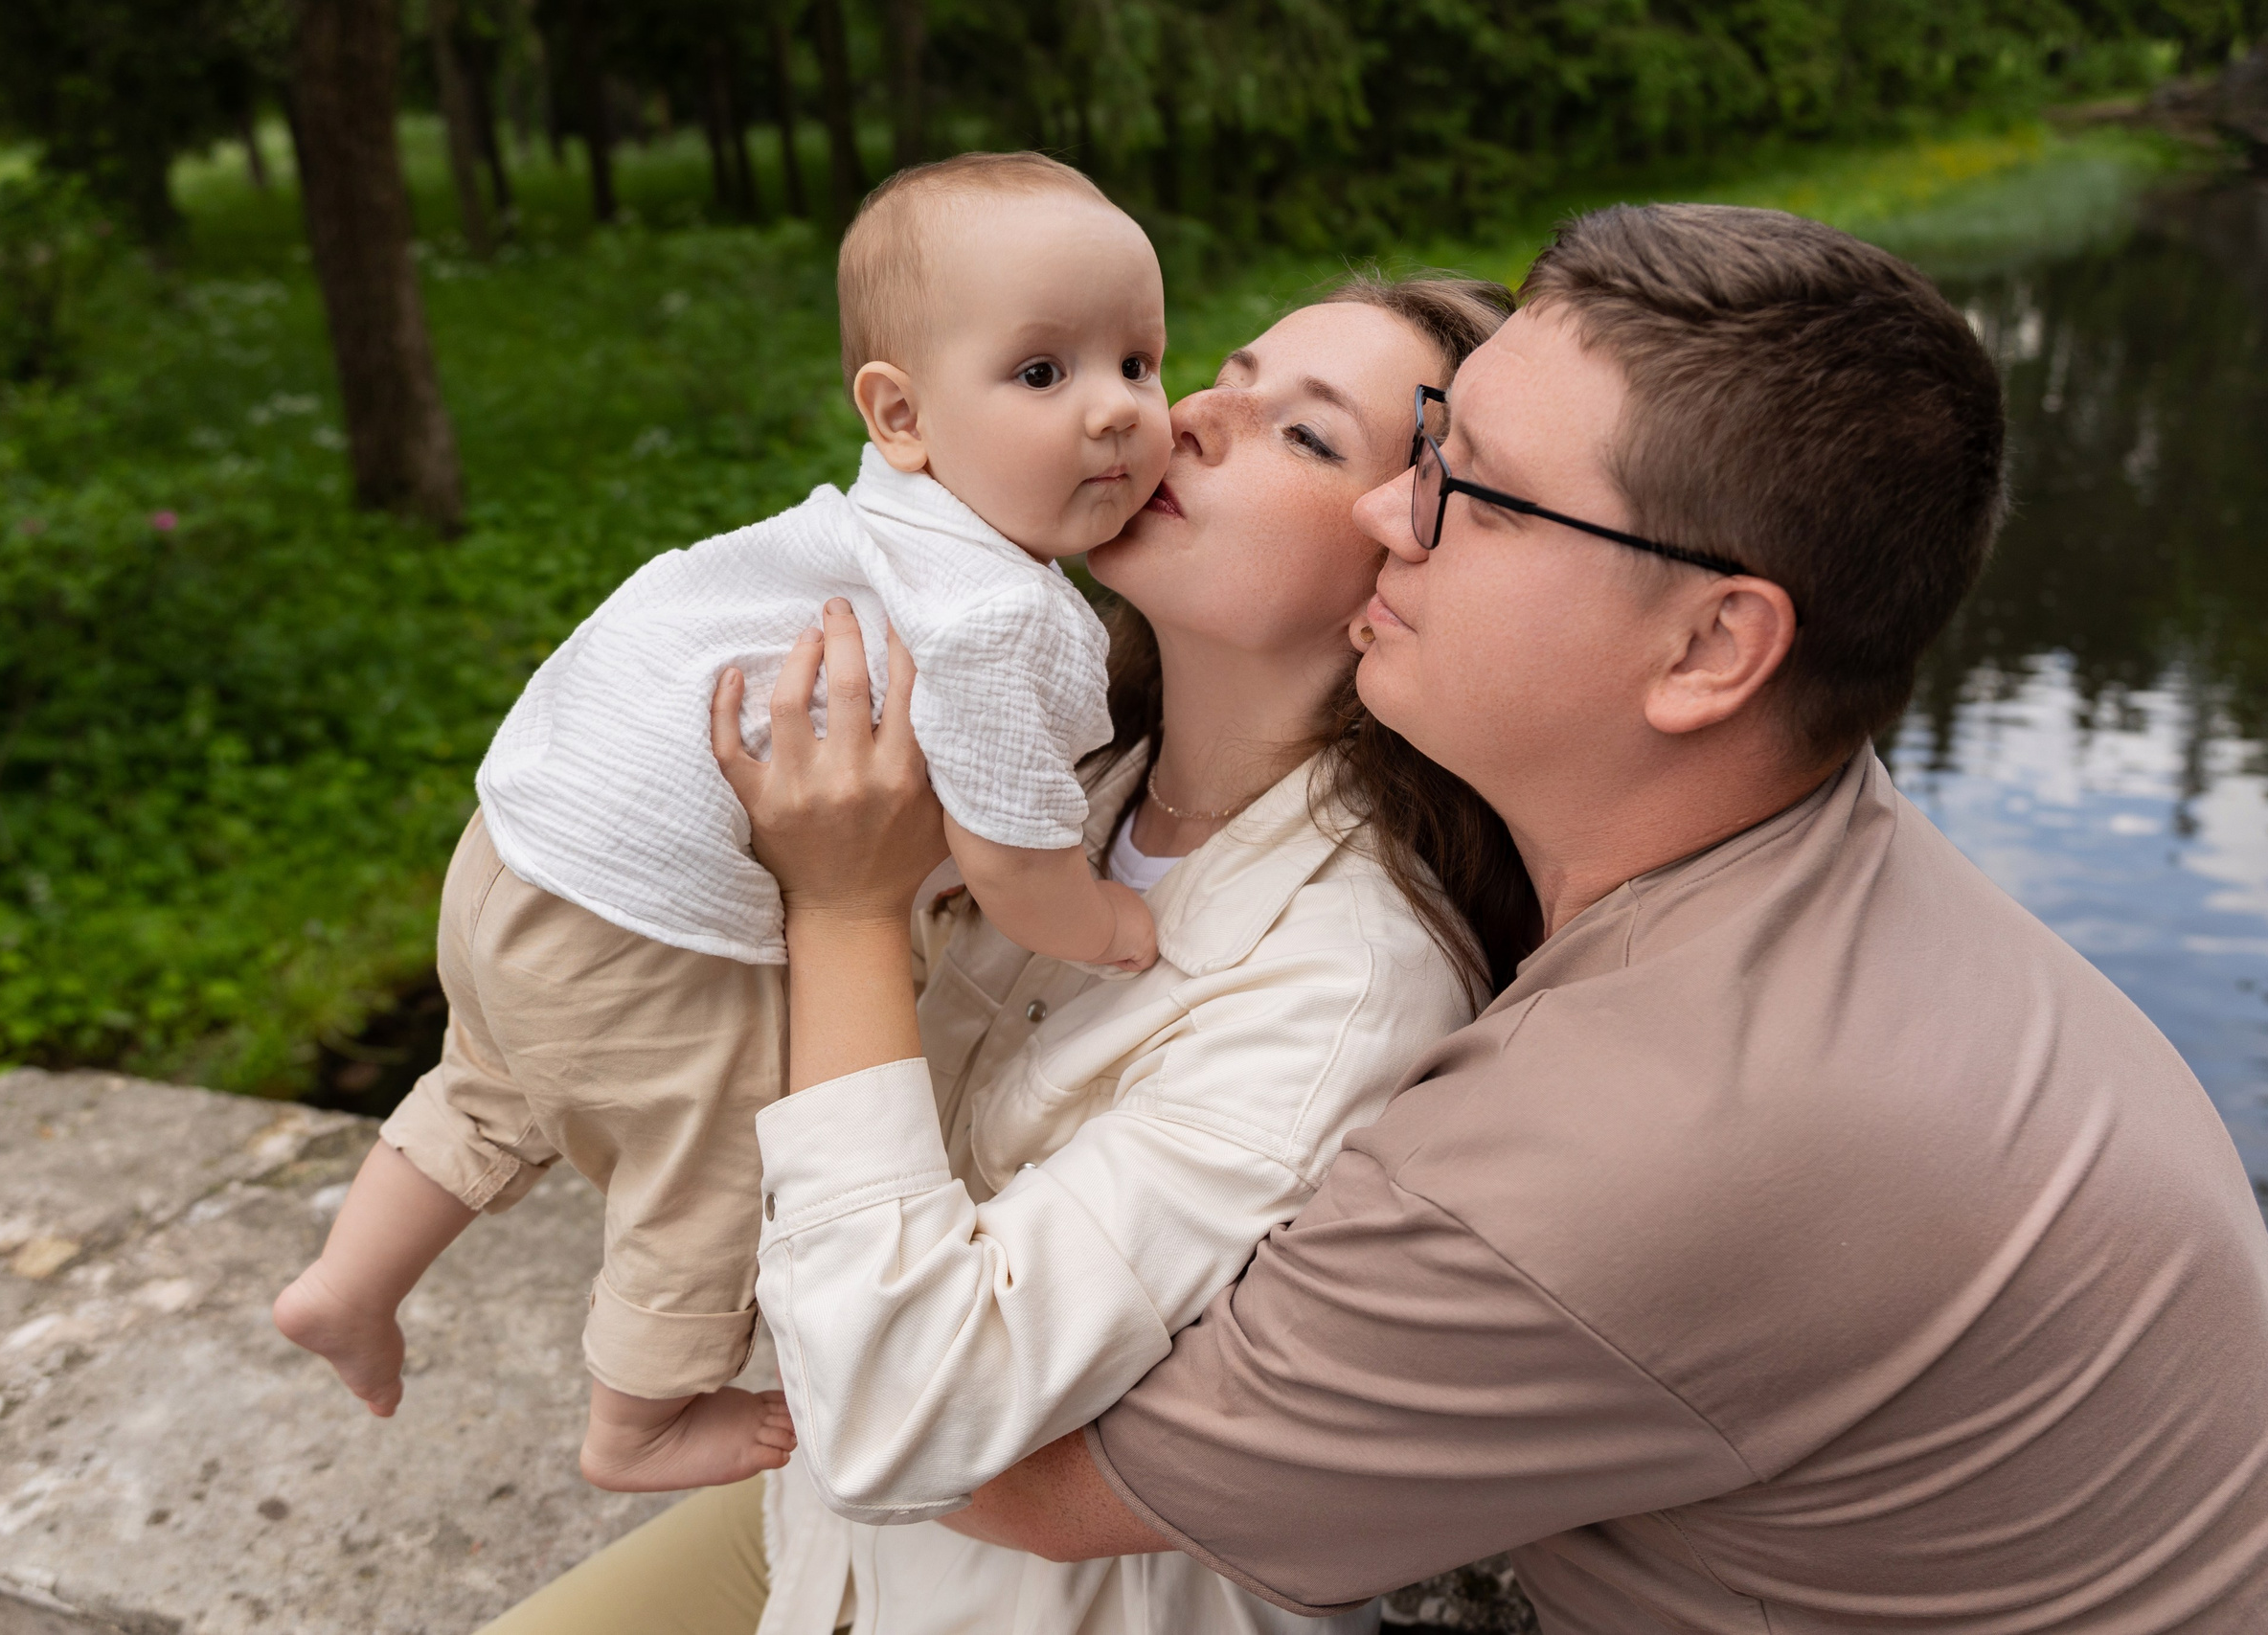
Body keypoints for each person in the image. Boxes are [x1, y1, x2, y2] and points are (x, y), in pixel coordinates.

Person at [755, 205, 2268, 1633]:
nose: (1396, 516)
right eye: (1425, 448)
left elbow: (947, 1451)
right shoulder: (1806, 866)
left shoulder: (1616, 1130)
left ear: (1715, 650)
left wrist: (836, 917)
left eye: (1480, 493)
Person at [476, 273, 1529, 1633]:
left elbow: (901, 1415)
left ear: (1402, 556)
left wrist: (845, 909)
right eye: (1225, 376)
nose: (1189, 418)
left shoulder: (1348, 980)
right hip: (820, 1548)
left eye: (1306, 435)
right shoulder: (1057, 776)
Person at [271, 150, 1179, 1496]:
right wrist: (1113, 925)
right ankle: (635, 1417)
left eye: (1142, 364)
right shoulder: (993, 610)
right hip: (651, 922)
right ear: (902, 415)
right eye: (1045, 374)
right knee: (722, 1154)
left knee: (495, 1076)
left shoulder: (861, 534)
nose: (1113, 412)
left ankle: (347, 1284)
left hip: (521, 857)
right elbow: (1010, 859)